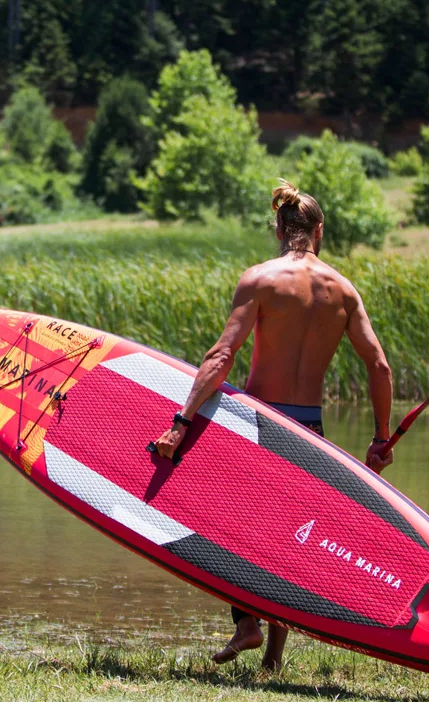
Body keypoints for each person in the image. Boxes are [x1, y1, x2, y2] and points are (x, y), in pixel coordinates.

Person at [154, 179, 394, 671]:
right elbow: (380, 367)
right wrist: (380, 437)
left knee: (230, 525)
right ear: (319, 230)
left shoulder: (261, 280)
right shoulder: (343, 291)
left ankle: (246, 624)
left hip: (260, 423)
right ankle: (273, 660)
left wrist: (182, 420)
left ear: (280, 227)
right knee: (290, 538)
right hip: (309, 431)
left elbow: (223, 354)